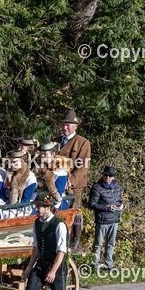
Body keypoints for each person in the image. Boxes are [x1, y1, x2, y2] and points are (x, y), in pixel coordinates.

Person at [17, 194, 79, 290]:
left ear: (48, 207)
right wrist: (29, 268)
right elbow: (36, 247)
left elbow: (61, 251)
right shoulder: (37, 223)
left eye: (39, 207)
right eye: (36, 206)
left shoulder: (59, 225)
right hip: (42, 263)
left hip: (56, 265)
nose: (36, 209)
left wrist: (53, 271)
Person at [57, 108, 91, 251]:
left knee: (75, 211)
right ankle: (60, 238)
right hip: (57, 183)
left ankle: (75, 241)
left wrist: (71, 181)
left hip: (73, 185)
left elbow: (83, 165)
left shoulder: (83, 142)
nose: (65, 127)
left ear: (75, 126)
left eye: (68, 125)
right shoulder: (56, 142)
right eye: (64, 124)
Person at [87, 165, 123, 270]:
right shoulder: (97, 187)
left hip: (114, 219)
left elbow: (120, 200)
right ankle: (95, 264)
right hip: (102, 220)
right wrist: (106, 207)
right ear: (102, 175)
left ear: (113, 177)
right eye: (105, 175)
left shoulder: (117, 186)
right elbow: (92, 204)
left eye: (110, 176)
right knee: (98, 244)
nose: (107, 177)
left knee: (111, 244)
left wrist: (121, 205)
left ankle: (109, 264)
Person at [1, 150, 37, 217]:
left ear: (22, 162)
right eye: (10, 162)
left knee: (5, 215)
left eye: (14, 162)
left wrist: (12, 208)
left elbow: (26, 200)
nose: (11, 164)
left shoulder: (30, 177)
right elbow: (5, 195)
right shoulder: (10, 174)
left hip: (23, 208)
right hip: (9, 204)